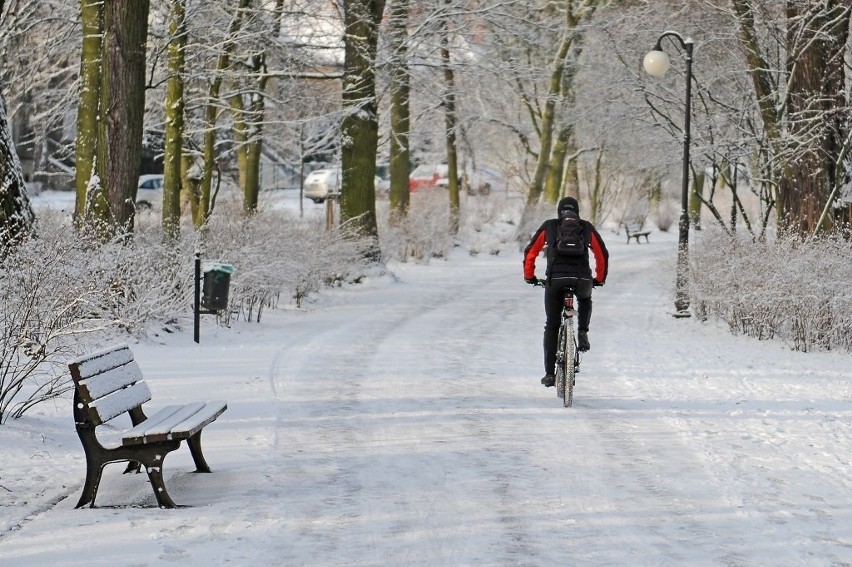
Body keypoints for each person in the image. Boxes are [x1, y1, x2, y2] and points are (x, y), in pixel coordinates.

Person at [523, 196, 609, 388]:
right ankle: (583, 331)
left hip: (555, 280)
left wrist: (529, 276)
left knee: (552, 325)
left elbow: (531, 251)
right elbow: (602, 254)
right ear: (577, 212)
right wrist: (599, 278)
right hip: (582, 279)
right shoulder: (586, 227)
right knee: (585, 299)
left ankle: (549, 374)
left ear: (559, 211)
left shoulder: (549, 226)